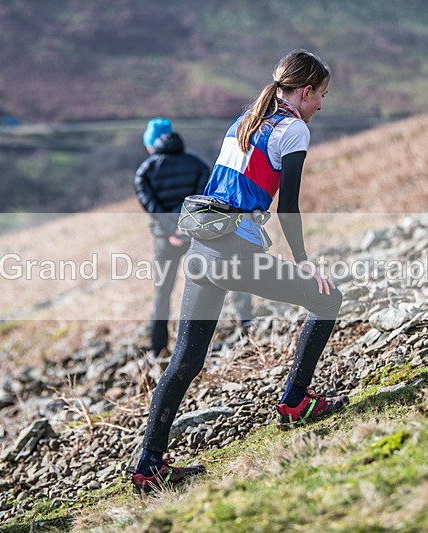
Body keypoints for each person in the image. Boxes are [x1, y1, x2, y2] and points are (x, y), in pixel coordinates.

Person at [130, 50, 345, 494]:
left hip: (201, 249)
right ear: (305, 91)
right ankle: (295, 403)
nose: (321, 104)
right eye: (321, 95)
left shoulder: (247, 119)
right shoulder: (294, 129)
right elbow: (288, 207)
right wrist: (303, 259)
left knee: (185, 360)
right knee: (328, 299)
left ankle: (148, 464)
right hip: (234, 254)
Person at [134, 118, 255, 357]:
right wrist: (186, 225)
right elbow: (202, 198)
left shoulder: (145, 171)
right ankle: (246, 324)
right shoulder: (197, 164)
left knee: (163, 291)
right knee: (225, 275)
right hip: (197, 233)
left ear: (151, 143)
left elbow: (151, 206)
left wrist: (171, 230)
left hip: (165, 238)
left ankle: (158, 347)